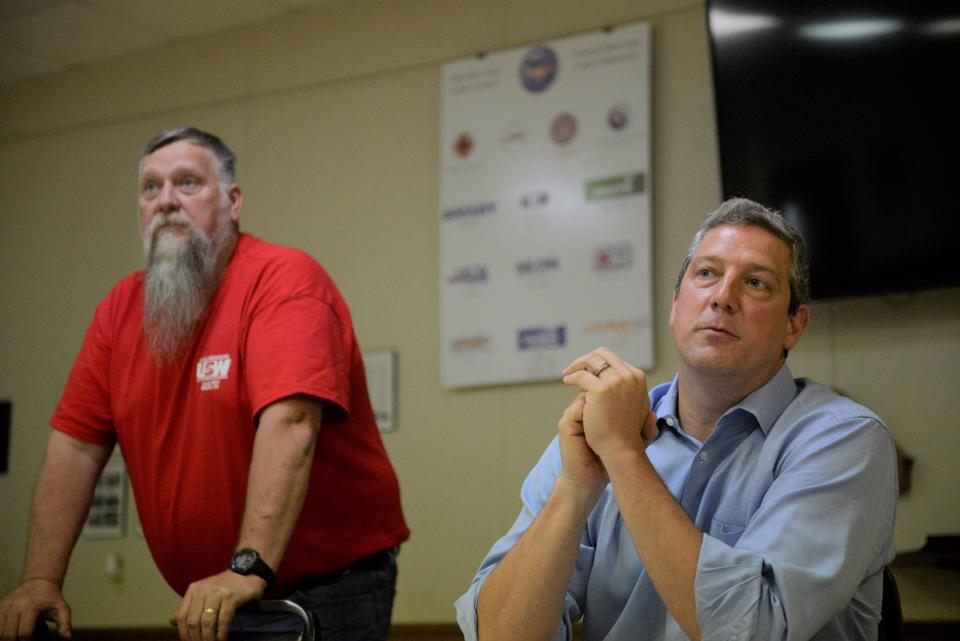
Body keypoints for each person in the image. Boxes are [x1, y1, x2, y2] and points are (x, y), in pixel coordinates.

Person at [0, 128, 409, 641]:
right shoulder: (119, 311)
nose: (166, 201)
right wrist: (40, 578)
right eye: (151, 189)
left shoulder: (284, 280)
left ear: (233, 202)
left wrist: (246, 567)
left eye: (187, 183)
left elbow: (293, 422)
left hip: (317, 591)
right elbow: (75, 447)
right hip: (214, 597)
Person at [455, 198, 897, 641]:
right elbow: (497, 635)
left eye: (756, 282)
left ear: (793, 326)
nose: (722, 297)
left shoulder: (845, 439)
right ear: (675, 305)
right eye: (706, 273)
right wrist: (574, 488)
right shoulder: (603, 428)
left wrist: (624, 455)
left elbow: (753, 632)